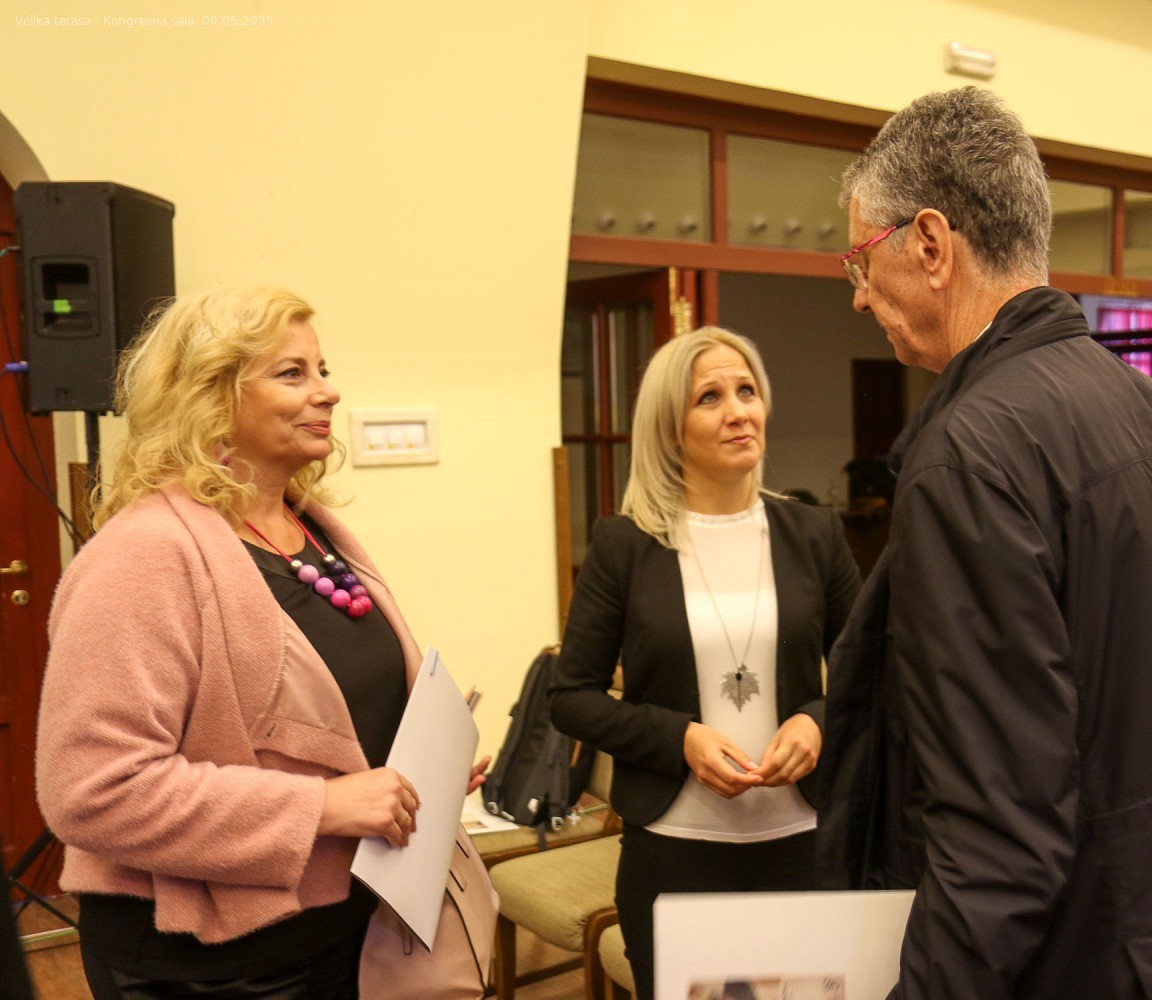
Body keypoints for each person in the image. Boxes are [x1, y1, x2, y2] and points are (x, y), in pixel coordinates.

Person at [816, 88, 1152, 999]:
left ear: (930, 244)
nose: (861, 294)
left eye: (861, 260)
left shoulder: (968, 454)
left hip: (1097, 949)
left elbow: (1000, 830)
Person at [35, 286, 491, 999]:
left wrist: (411, 777)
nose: (328, 391)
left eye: (323, 369)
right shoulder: (142, 555)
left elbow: (322, 723)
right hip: (212, 966)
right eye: (292, 373)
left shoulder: (311, 529)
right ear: (211, 396)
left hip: (345, 929)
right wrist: (327, 808)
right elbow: (93, 792)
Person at [550, 326, 861, 999]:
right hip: (675, 850)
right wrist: (679, 738)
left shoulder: (814, 534)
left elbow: (875, 671)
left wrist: (817, 719)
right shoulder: (625, 545)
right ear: (670, 429)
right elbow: (570, 696)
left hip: (803, 842)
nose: (738, 412)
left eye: (747, 391)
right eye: (710, 398)